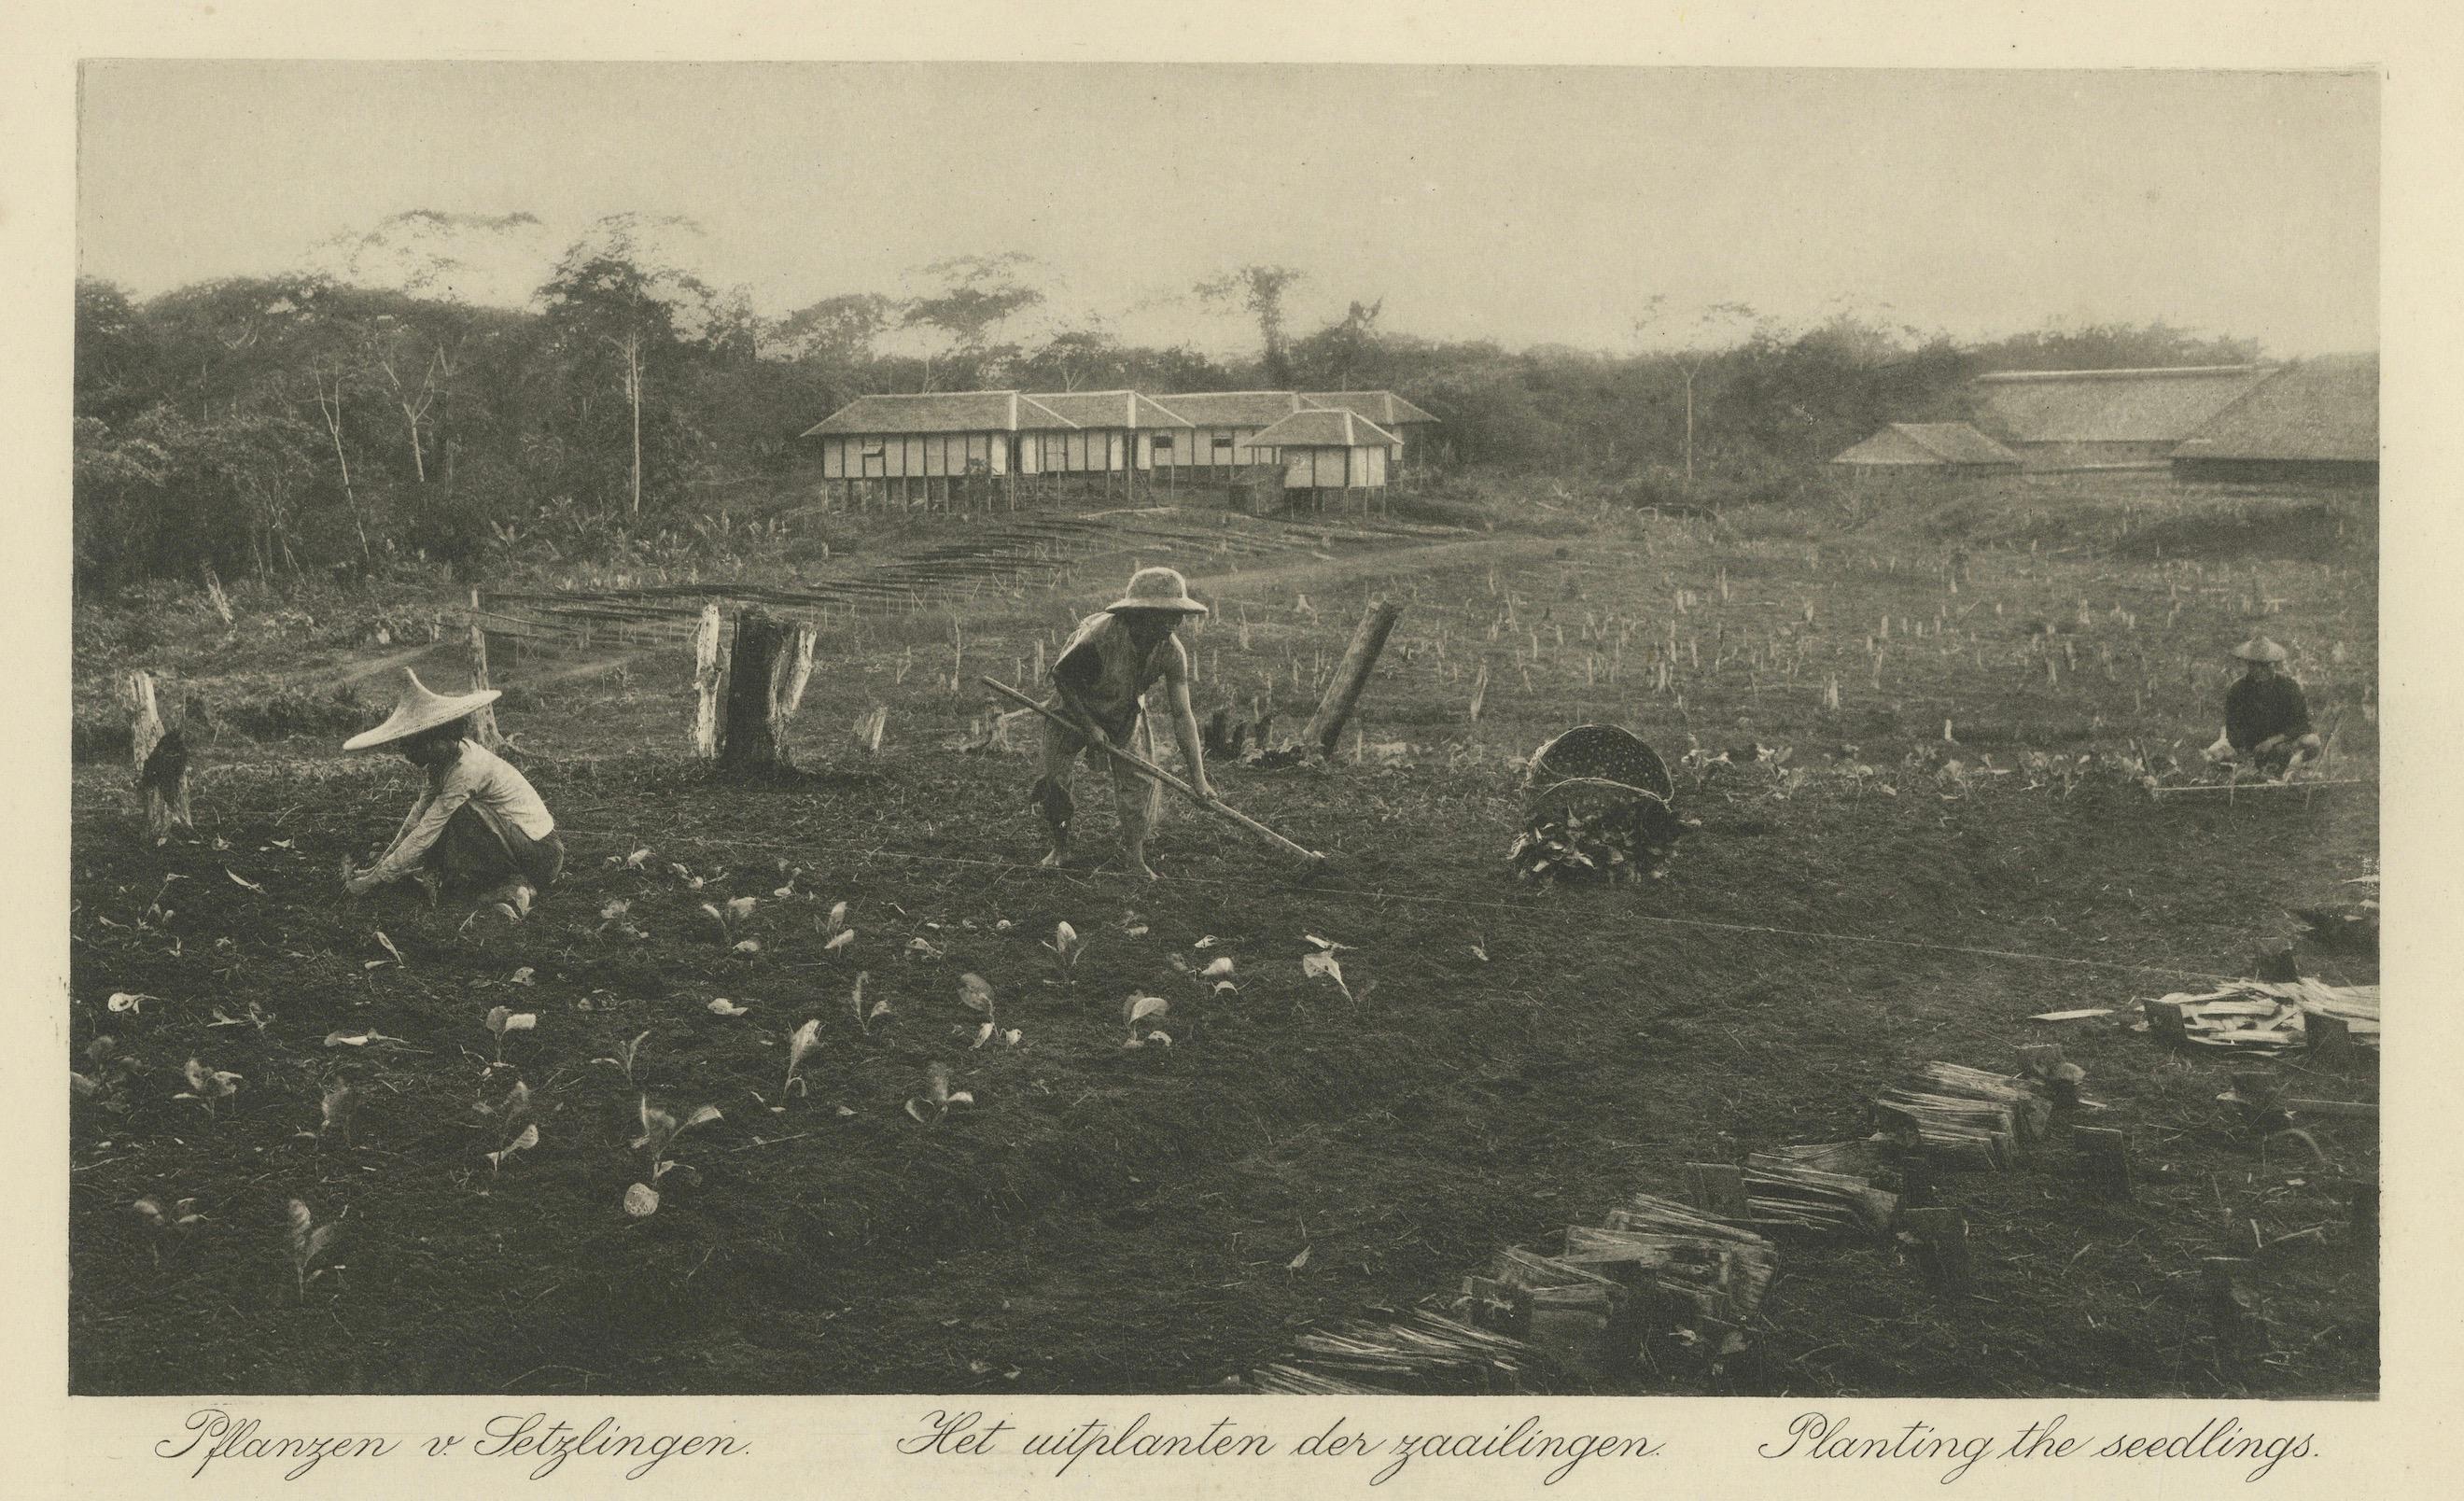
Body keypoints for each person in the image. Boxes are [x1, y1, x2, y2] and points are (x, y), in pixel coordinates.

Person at [1034, 566, 1216, 880]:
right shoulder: (1098, 636)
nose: (1178, 621)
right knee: (1055, 780)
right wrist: (1090, 727)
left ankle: (1134, 856)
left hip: (1124, 713)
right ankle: (1061, 846)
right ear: (1143, 613)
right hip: (1071, 708)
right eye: (1168, 614)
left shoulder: (1172, 651)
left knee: (1139, 783)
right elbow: (1062, 676)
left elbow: (1182, 714)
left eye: (1179, 613)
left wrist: (1198, 778)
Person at [340, 667, 565, 920]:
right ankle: (469, 881)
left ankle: (517, 884)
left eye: (415, 745)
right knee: (441, 816)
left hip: (539, 856)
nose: (409, 754)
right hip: (512, 842)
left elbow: (428, 828)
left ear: (439, 739)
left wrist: (377, 879)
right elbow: (417, 816)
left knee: (458, 812)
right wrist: (378, 867)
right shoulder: (441, 764)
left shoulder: (467, 769)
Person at [2205, 635, 2323, 782]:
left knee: (2313, 742)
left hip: (2282, 744)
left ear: (2273, 664)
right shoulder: (2237, 689)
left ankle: (2290, 772)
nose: (2259, 670)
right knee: (2213, 753)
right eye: (2254, 665)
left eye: (2265, 665)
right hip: (2250, 749)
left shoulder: (2289, 686)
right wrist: (2249, 748)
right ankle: (2243, 774)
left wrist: (2272, 741)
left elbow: (2302, 725)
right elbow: (2233, 731)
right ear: (2248, 664)